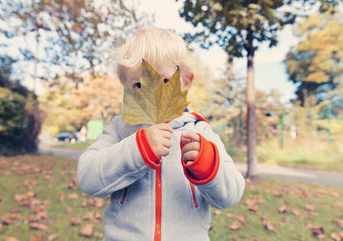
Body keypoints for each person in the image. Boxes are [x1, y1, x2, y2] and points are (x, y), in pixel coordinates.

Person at [77, 27, 245, 241]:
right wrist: (137, 150)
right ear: (125, 87)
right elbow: (87, 177)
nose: (151, 94)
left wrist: (208, 166)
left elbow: (231, 195)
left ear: (185, 81)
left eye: (164, 81)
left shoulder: (200, 130)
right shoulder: (121, 127)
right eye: (138, 85)